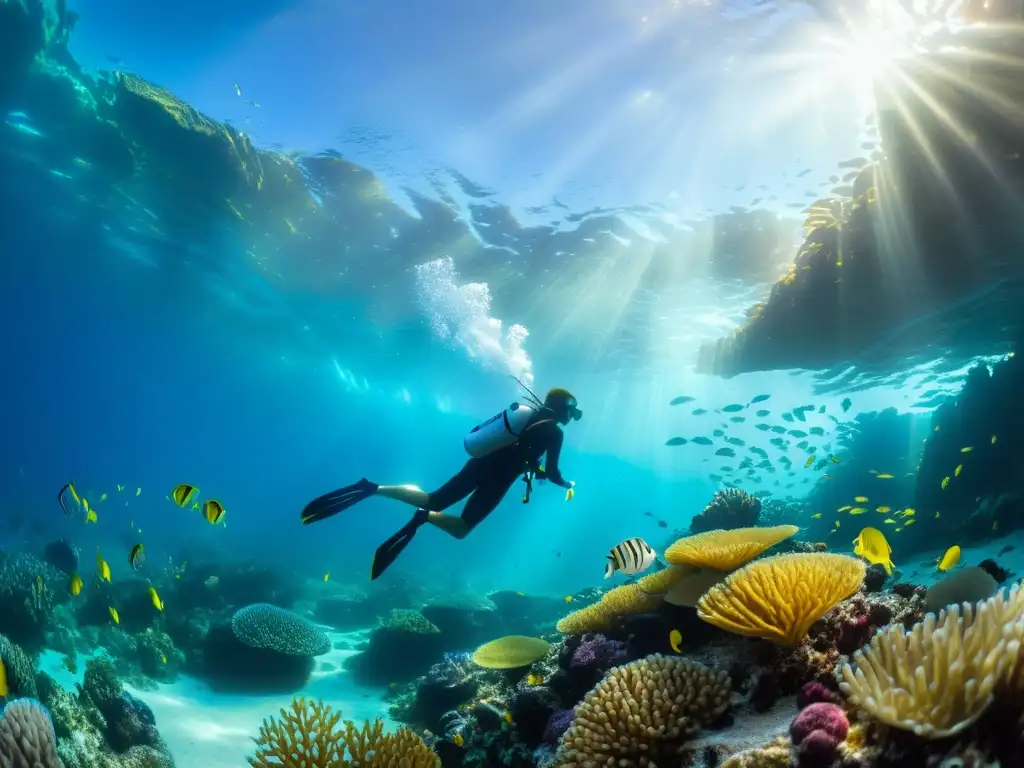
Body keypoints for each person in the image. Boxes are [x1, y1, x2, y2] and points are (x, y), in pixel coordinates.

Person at [300, 387, 581, 579]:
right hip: (497, 481)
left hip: (477, 465)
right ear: (564, 408)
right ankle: (424, 519)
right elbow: (554, 471)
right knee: (462, 528)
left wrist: (535, 466)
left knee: (432, 497)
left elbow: (521, 449)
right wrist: (566, 483)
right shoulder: (554, 433)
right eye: (572, 411)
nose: (572, 416)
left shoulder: (528, 418)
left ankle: (372, 488)